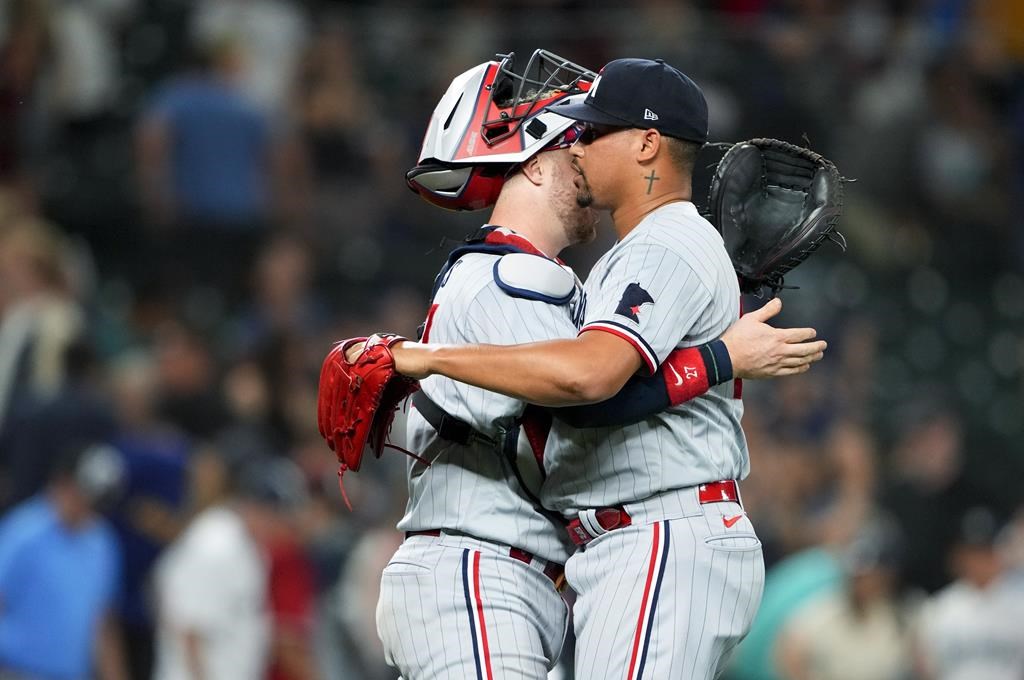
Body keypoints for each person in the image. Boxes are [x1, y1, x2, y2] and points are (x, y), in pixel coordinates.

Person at [366, 54, 826, 679]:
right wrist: (717, 357)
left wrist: (423, 357)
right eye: (573, 135)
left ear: (646, 142)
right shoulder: (597, 259)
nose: (577, 146)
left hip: (655, 529)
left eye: (593, 130)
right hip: (581, 549)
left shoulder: (661, 241)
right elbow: (586, 396)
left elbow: (587, 384)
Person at [0, 443, 128, 680]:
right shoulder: (23, 532)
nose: (89, 509)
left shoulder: (101, 541)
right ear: (62, 483)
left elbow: (103, 621)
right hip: (15, 671)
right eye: (84, 496)